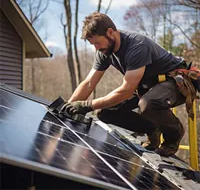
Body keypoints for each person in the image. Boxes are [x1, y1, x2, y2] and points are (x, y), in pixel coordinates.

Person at [61, 12, 187, 157]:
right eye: (93, 44)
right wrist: (69, 106)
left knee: (148, 103)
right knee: (104, 112)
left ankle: (173, 135)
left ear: (110, 32)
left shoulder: (137, 46)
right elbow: (89, 83)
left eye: (97, 42)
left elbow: (126, 91)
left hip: (173, 81)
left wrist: (86, 105)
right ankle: (152, 128)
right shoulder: (104, 52)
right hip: (144, 86)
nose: (96, 48)